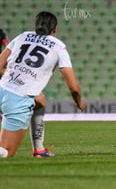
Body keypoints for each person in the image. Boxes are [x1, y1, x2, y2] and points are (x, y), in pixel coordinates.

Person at [0, 11, 85, 158]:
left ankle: (39, 150)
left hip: (2, 88)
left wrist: (14, 76)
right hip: (18, 99)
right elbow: (73, 87)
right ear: (55, 29)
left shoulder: (23, 36)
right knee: (6, 154)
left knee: (39, 100)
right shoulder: (59, 47)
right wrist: (80, 102)